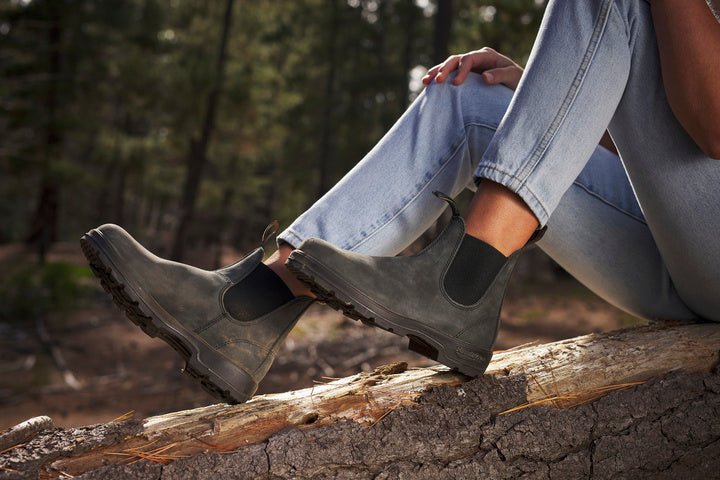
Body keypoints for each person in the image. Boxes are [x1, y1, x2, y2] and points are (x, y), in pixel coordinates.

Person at [81, 0, 720, 404]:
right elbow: (671, 138)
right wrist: (545, 90)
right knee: (470, 101)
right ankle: (244, 309)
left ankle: (464, 285)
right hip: (692, 244)